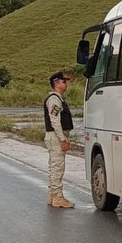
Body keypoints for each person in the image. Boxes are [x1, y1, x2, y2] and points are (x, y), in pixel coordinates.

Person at [44, 71, 75, 208]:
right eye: (63, 82)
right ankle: (58, 197)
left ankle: (52, 195)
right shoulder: (54, 100)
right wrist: (63, 139)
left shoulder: (57, 99)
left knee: (54, 167)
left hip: (54, 136)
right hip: (56, 137)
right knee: (57, 167)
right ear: (57, 84)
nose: (66, 84)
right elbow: (55, 121)